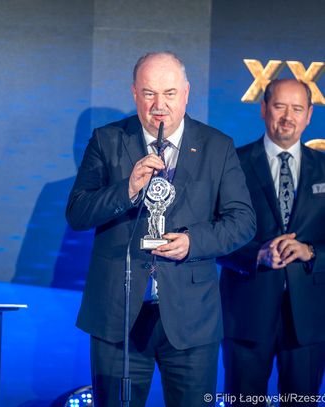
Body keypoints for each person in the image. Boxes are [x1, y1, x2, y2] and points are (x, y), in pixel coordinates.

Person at [66, 52, 256, 406]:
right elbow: (78, 213)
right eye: (149, 93)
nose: (159, 105)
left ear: (186, 93)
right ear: (134, 93)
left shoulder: (217, 146)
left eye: (169, 93)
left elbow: (243, 221)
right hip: (119, 316)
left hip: (191, 319)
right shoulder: (107, 140)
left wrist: (193, 242)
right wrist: (128, 188)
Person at [219, 79, 325, 405]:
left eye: (297, 109)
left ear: (309, 115)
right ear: (264, 109)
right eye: (280, 106)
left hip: (308, 318)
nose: (287, 117)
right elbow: (214, 234)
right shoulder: (232, 163)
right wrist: (256, 256)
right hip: (246, 314)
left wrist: (311, 252)